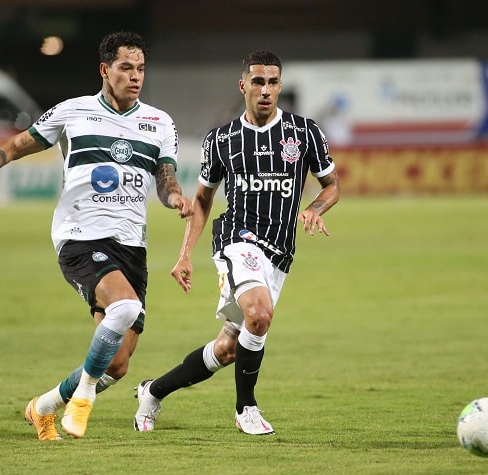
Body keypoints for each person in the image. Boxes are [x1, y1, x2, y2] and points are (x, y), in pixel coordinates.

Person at [0, 31, 193, 440]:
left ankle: (42, 407)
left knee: (118, 363)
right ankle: (83, 400)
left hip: (132, 244)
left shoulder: (159, 123)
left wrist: (176, 198)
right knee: (126, 308)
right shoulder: (72, 112)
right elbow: (17, 145)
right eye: (126, 68)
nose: (135, 76)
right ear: (104, 70)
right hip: (80, 236)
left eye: (141, 69)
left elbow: (165, 180)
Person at [133, 49, 340, 435]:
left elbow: (332, 186)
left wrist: (315, 208)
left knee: (229, 349)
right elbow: (203, 200)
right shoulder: (222, 139)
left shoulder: (305, 132)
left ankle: (153, 391)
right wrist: (184, 255)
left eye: (273, 82)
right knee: (259, 315)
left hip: (279, 253)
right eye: (258, 81)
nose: (266, 90)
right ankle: (246, 408)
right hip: (237, 240)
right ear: (243, 84)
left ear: (280, 86)